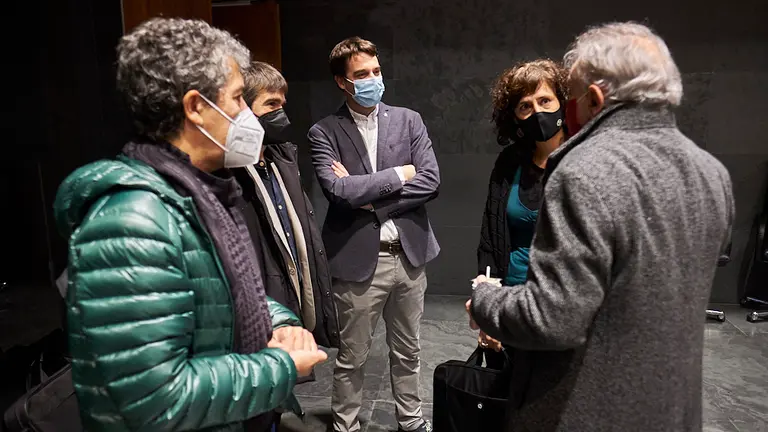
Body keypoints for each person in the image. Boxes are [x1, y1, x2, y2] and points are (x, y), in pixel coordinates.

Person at [52, 18, 326, 432]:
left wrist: (279, 323)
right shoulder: (133, 220)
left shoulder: (200, 192)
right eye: (237, 99)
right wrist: (280, 366)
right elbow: (154, 401)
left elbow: (225, 291)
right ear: (197, 107)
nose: (246, 115)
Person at [467, 22, 734, 431]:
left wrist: (485, 301)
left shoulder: (581, 171)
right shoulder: (713, 173)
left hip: (588, 408)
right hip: (673, 407)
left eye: (567, 97)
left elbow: (551, 318)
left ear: (593, 99)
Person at [308, 37, 440, 432]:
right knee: (352, 357)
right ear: (342, 82)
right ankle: (346, 426)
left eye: (376, 71)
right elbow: (338, 192)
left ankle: (412, 421)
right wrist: (401, 174)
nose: (372, 80)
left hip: (410, 256)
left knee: (409, 350)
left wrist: (371, 197)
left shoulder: (408, 120)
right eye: (361, 74)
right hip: (358, 260)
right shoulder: (324, 132)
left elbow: (431, 181)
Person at [231, 61, 339, 350]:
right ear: (242, 108)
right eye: (270, 104)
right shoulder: (228, 174)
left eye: (282, 103)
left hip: (294, 296)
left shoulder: (283, 159)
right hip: (261, 311)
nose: (280, 113)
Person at [476, 60, 568, 356]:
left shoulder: (585, 159)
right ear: (514, 117)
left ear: (562, 102)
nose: (537, 111)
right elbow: (490, 239)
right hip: (513, 304)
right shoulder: (508, 162)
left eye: (545, 100)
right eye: (525, 106)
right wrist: (488, 312)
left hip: (567, 306)